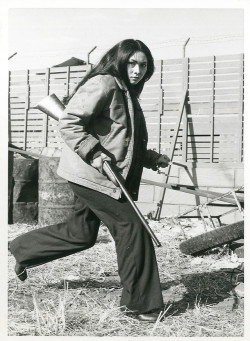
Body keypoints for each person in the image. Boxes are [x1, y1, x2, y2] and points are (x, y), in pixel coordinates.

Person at [9, 39, 170, 323]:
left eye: (143, 65)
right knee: (134, 229)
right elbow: (69, 122)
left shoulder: (126, 91)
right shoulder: (105, 83)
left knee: (81, 233)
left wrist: (151, 158)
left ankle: (23, 249)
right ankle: (140, 304)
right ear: (119, 61)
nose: (137, 70)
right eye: (132, 63)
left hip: (99, 174)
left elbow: (120, 140)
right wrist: (94, 154)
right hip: (93, 175)